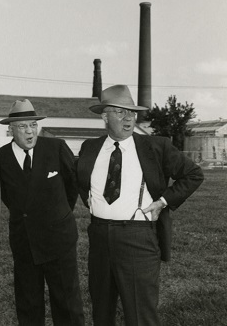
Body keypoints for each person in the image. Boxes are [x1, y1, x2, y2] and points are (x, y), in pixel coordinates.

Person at [76, 84, 204, 326]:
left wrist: (163, 201)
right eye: (120, 112)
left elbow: (193, 174)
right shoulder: (89, 148)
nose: (128, 118)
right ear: (105, 116)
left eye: (132, 113)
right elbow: (82, 183)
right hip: (100, 237)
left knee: (140, 314)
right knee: (101, 312)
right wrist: (96, 205)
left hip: (137, 237)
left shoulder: (156, 146)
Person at [0, 99, 85, 326]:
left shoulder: (55, 148)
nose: (30, 131)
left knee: (67, 304)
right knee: (28, 304)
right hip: (24, 242)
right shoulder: (0, 158)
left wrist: (58, 214)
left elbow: (71, 186)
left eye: (33, 125)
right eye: (23, 126)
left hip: (59, 240)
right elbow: (8, 197)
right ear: (10, 130)